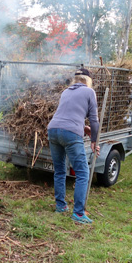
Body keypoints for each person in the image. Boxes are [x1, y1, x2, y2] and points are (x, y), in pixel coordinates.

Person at [47, 67, 100, 224]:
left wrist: (83, 128)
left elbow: (66, 115)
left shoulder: (66, 91)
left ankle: (60, 206)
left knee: (59, 171)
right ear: (88, 80)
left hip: (53, 130)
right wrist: (94, 141)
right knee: (83, 173)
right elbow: (94, 120)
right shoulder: (89, 92)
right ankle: (78, 213)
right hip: (70, 133)